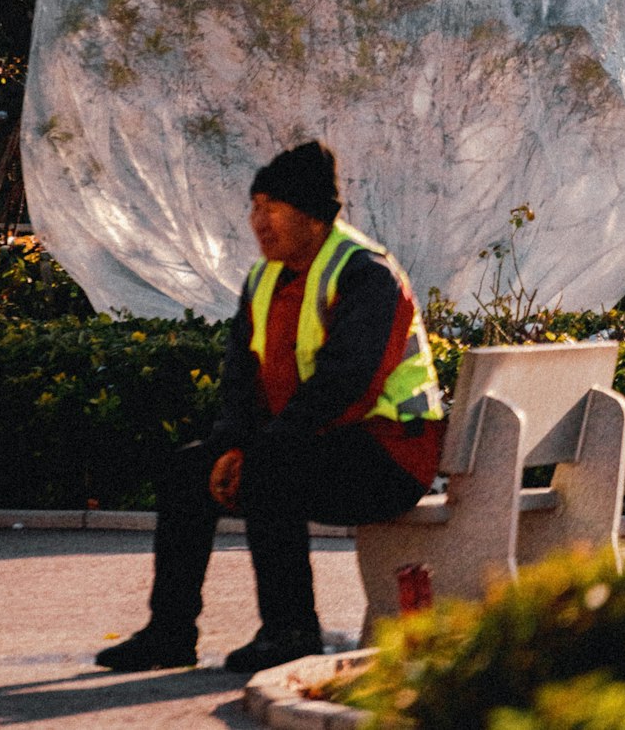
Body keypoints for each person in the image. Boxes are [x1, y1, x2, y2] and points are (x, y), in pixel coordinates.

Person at [95, 140, 444, 675]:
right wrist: (231, 445)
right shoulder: (263, 278)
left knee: (267, 471)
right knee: (187, 471)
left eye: (271, 206)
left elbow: (347, 384)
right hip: (310, 443)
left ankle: (291, 633)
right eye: (254, 206)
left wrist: (259, 450)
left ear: (312, 216)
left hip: (391, 456)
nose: (257, 220)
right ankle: (170, 632)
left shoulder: (366, 274)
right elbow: (240, 380)